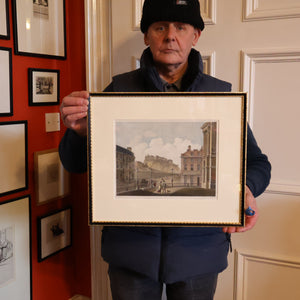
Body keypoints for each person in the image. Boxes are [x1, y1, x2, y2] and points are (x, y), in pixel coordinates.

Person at [59, 0, 271, 299]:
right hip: (131, 254)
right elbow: (74, 163)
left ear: (195, 35)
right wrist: (78, 134)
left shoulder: (220, 97)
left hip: (199, 254)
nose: (170, 36)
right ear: (146, 36)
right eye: (160, 27)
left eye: (180, 27)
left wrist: (246, 188)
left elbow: (259, 163)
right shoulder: (117, 92)